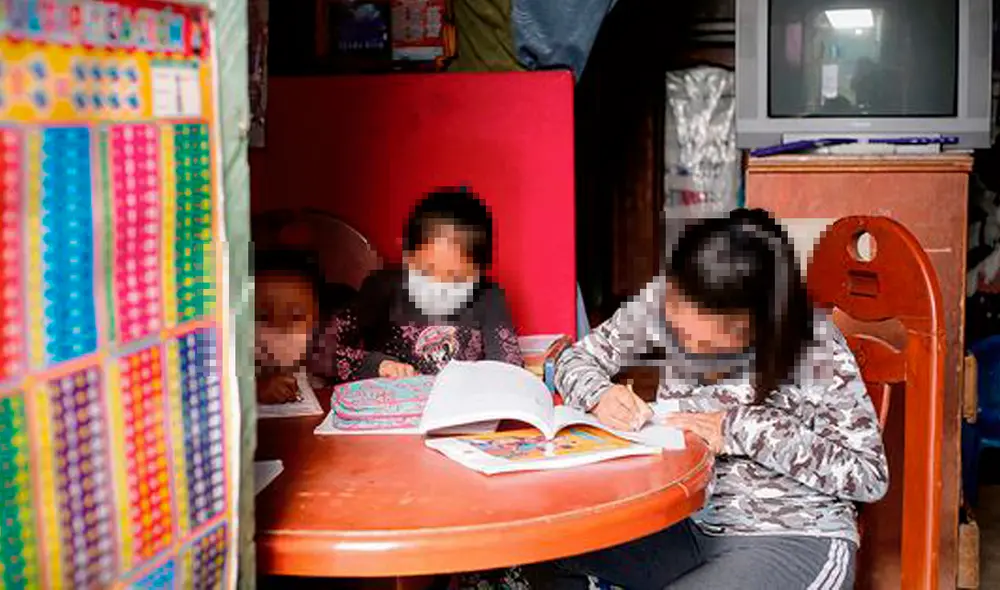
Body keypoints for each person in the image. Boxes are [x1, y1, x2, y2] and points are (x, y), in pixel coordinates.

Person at [534, 209, 888, 590]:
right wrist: (599, 394)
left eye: (703, 344)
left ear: (756, 326)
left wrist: (742, 428)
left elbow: (869, 477)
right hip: (685, 520)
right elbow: (574, 358)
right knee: (539, 553)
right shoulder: (669, 304)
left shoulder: (816, 347)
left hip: (792, 536)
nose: (683, 346)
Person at [312, 187, 523, 382]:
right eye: (426, 272)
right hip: (390, 405)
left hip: (459, 404)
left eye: (457, 279)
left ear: (479, 272)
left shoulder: (489, 298)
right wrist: (378, 365)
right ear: (407, 256)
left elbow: (508, 369)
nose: (439, 288)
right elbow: (319, 351)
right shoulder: (383, 289)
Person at [254, 249, 355, 403]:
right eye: (263, 317)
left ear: (315, 317)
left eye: (295, 317)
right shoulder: (232, 362)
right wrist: (256, 388)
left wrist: (381, 365)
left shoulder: (324, 352)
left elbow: (361, 364)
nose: (281, 329)